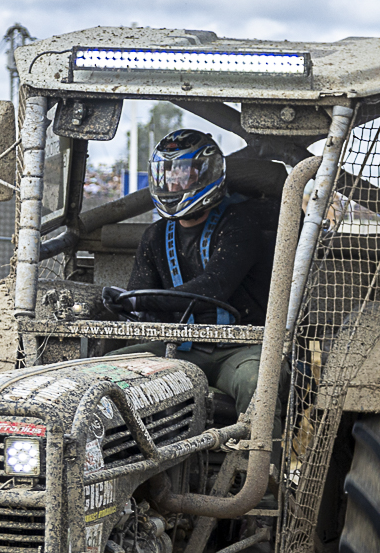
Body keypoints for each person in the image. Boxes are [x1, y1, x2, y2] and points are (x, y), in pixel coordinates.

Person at [106, 129, 278, 413]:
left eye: (184, 175)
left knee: (257, 383)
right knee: (104, 372)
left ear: (208, 174)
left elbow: (214, 286)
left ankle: (260, 444)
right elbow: (139, 298)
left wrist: (141, 300)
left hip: (241, 347)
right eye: (168, 176)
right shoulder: (154, 235)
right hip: (178, 347)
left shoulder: (241, 224)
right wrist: (126, 303)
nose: (174, 184)